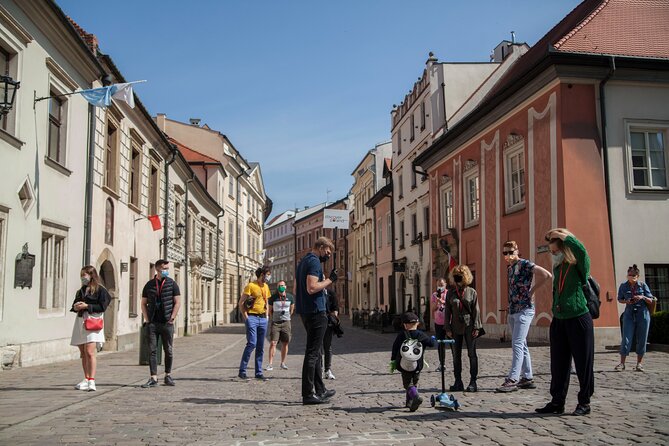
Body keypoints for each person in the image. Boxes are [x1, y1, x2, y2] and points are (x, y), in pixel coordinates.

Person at [536, 228, 594, 416]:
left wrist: (566, 237)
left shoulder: (578, 266)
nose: (553, 255)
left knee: (583, 363)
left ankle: (584, 402)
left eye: (555, 251)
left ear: (564, 249)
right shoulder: (558, 268)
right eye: (551, 252)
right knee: (558, 364)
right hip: (559, 321)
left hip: (578, 319)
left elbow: (582, 252)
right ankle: (557, 401)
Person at [497, 241, 552, 392]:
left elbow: (547, 275)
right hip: (513, 310)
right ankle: (527, 377)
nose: (507, 256)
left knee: (517, 344)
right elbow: (512, 289)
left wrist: (532, 290)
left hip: (525, 310)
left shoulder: (525, 264)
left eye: (510, 252)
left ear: (517, 251)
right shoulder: (510, 269)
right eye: (505, 253)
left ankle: (513, 378)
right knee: (522, 345)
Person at [295, 236, 337, 405]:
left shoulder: (304, 261)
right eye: (327, 252)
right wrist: (329, 280)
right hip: (315, 311)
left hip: (307, 310)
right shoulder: (313, 262)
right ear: (320, 247)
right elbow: (311, 287)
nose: (327, 255)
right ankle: (307, 393)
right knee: (313, 353)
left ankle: (320, 389)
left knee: (317, 351)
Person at [141, 259, 181, 388]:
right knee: (152, 350)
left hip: (167, 323)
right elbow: (143, 303)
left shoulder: (172, 284)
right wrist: (147, 319)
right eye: (164, 268)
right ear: (157, 269)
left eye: (167, 269)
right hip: (153, 322)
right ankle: (153, 377)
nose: (166, 271)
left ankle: (168, 375)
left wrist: (172, 317)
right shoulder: (149, 285)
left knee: (168, 350)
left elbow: (177, 302)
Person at [70, 265, 111, 392]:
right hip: (81, 321)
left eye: (85, 275)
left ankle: (92, 380)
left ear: (91, 275)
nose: (83, 278)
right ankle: (86, 378)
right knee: (83, 352)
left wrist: (87, 306)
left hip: (93, 322)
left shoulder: (101, 290)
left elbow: (103, 306)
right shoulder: (81, 290)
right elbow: (75, 304)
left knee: (89, 351)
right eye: (82, 275)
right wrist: (76, 307)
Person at [444, 264, 482, 393]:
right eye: (455, 277)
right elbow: (447, 312)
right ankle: (458, 381)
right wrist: (447, 328)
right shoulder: (450, 293)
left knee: (472, 354)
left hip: (469, 325)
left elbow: (476, 310)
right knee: (456, 355)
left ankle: (473, 381)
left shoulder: (472, 292)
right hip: (455, 327)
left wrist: (476, 326)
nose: (457, 279)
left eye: (459, 276)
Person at [390, 312, 436, 412]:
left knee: (407, 384)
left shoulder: (402, 335)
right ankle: (409, 402)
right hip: (417, 365)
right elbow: (431, 343)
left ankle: (415, 397)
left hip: (404, 364)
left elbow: (395, 347)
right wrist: (433, 338)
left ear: (405, 325)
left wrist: (393, 360)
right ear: (417, 324)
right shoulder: (421, 335)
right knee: (414, 383)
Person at [616, 264, 656, 372]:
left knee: (642, 339)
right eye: (630, 274)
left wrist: (642, 297)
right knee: (626, 339)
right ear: (627, 275)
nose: (631, 276)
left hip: (642, 314)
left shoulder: (643, 285)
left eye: (633, 275)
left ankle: (639, 363)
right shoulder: (623, 286)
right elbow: (619, 299)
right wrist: (627, 301)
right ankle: (622, 363)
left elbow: (651, 300)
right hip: (629, 314)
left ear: (637, 276)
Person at [237, 266, 271, 380]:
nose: (268, 277)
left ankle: (258, 373)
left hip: (263, 319)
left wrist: (266, 316)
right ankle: (242, 371)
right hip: (252, 317)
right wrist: (246, 317)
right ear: (262, 275)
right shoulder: (251, 286)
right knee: (252, 343)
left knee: (261, 347)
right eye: (267, 274)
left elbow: (267, 301)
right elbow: (241, 302)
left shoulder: (266, 287)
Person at [266, 279, 294, 371]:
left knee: (285, 342)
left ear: (285, 287)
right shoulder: (273, 297)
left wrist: (287, 316)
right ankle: (270, 364)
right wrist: (272, 318)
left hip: (286, 322)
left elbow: (292, 309)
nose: (281, 287)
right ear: (277, 287)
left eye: (282, 285)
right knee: (273, 343)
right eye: (279, 286)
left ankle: (283, 363)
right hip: (276, 323)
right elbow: (270, 310)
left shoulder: (290, 297)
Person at [430, 277, 448, 372]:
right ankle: (442, 363)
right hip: (438, 323)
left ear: (445, 285)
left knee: (453, 343)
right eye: (438, 285)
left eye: (441, 285)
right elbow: (433, 309)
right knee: (440, 344)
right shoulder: (434, 295)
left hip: (449, 322)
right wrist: (437, 301)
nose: (440, 287)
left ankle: (456, 363)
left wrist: (443, 302)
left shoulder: (449, 294)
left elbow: (451, 305)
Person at [323, 287, 339, 380]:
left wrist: (334, 318)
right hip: (317, 323)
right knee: (317, 348)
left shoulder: (330, 293)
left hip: (328, 322)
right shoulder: (313, 293)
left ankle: (327, 370)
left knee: (327, 347)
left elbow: (335, 307)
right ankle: (317, 370)